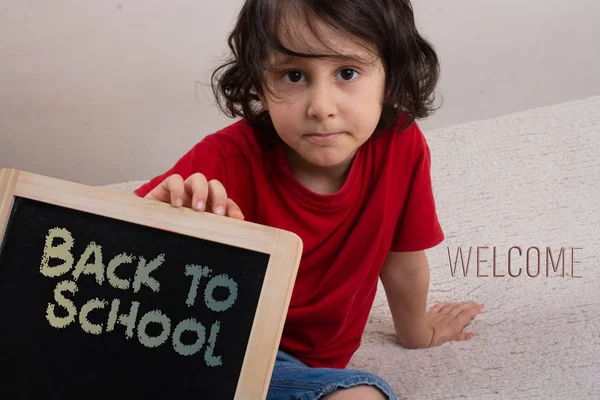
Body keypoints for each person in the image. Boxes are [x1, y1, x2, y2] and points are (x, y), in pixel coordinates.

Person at [134, 0, 483, 398]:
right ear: (259, 87)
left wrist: (419, 332)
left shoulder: (401, 146)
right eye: (294, 75)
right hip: (213, 342)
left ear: (390, 80)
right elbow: (104, 256)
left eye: (346, 73)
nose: (321, 108)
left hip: (295, 366)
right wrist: (154, 217)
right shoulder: (226, 158)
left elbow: (401, 260)